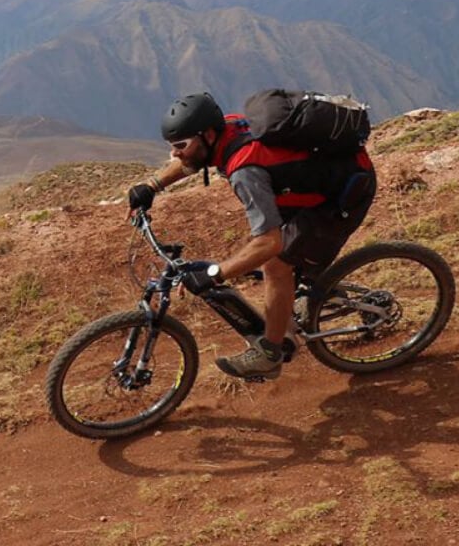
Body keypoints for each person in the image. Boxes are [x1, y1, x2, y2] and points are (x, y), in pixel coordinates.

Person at [129, 92, 376, 381]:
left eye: (181, 145)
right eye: (171, 147)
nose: (176, 154)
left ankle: (270, 354)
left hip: (341, 196)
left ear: (207, 135)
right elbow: (191, 160)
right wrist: (152, 185)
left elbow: (269, 242)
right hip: (306, 188)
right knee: (273, 254)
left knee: (275, 263)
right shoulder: (227, 128)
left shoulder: (245, 171)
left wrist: (215, 274)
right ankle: (313, 292)